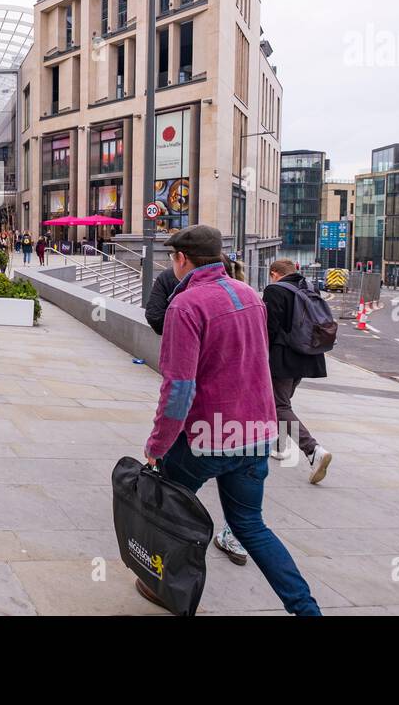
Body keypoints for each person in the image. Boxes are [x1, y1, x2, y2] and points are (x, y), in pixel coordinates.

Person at [142, 225, 321, 616]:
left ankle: (165, 587)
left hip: (207, 436)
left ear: (181, 259)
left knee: (167, 510)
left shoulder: (185, 306)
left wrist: (157, 446)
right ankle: (306, 609)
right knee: (251, 527)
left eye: (172, 257)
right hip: (254, 433)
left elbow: (179, 388)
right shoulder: (249, 296)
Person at [264, 258, 332, 480]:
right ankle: (279, 445)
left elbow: (269, 329)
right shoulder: (309, 288)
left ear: (274, 273)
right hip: (307, 356)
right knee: (283, 404)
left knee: (279, 405)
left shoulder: (274, 290)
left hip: (283, 357)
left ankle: (313, 450)